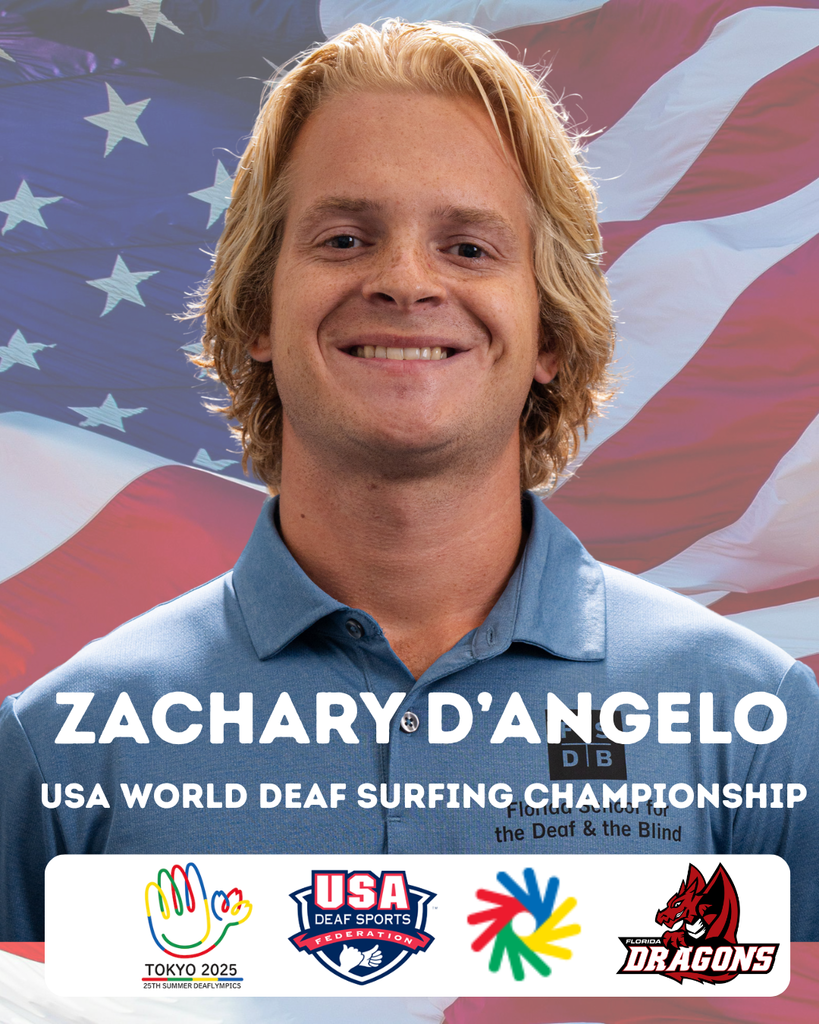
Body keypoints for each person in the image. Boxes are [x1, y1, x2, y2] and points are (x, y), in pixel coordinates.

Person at [1, 19, 817, 945]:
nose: (402, 281)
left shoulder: (755, 725)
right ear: (256, 308)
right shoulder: (61, 743)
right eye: (345, 239)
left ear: (548, 330)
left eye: (469, 248)